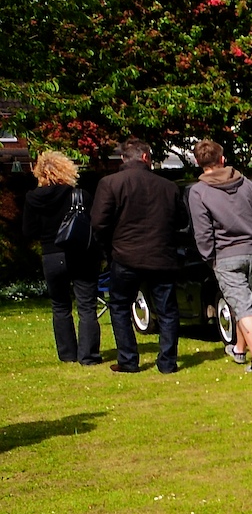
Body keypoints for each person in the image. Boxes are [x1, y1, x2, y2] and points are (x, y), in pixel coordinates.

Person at [185, 139, 252, 373]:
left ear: (198, 163)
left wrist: (210, 258)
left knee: (243, 308)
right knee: (244, 303)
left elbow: (203, 232)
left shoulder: (198, 191)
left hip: (226, 255)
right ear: (222, 159)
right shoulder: (244, 182)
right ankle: (239, 349)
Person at [89, 138, 183, 374]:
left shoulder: (110, 183)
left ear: (123, 158)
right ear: (145, 157)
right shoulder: (168, 187)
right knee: (167, 310)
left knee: (120, 306)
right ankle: (167, 362)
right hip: (161, 256)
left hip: (125, 255)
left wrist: (109, 249)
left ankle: (129, 359)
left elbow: (99, 223)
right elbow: (182, 221)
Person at [21, 150, 102, 365]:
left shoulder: (32, 199)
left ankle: (67, 354)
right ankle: (89, 356)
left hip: (51, 254)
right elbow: (94, 225)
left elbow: (28, 232)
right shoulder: (79, 195)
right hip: (80, 254)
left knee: (60, 306)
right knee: (86, 307)